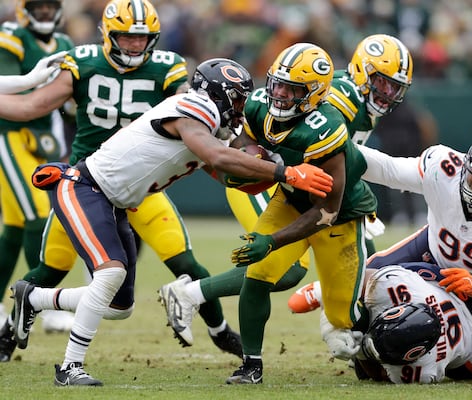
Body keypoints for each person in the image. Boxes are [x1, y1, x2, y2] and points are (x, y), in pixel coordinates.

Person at [9, 56, 332, 386]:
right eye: (235, 99)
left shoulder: (212, 128)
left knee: (119, 307)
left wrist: (276, 164)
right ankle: (69, 368)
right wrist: (286, 172)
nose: (239, 109)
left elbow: (227, 173)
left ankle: (33, 298)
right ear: (214, 94)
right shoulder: (194, 108)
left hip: (115, 202)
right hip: (84, 186)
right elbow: (218, 157)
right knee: (111, 272)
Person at [0, 0, 240, 363]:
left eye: (141, 38)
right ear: (108, 35)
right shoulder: (82, 61)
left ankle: (221, 332)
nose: (133, 45)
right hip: (86, 181)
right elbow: (31, 106)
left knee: (187, 265)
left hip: (141, 187)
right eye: (126, 37)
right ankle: (8, 335)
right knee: (50, 268)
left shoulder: (167, 67)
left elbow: (189, 115)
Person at [159, 34, 413, 338]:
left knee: (359, 258)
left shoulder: (359, 103)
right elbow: (319, 149)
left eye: (394, 86)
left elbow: (342, 163)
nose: (387, 92)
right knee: (284, 266)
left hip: (297, 181)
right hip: (269, 179)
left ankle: (345, 322)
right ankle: (190, 294)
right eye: (382, 81)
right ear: (362, 71)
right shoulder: (340, 99)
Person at [289, 129, 472, 312]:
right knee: (365, 276)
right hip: (432, 247)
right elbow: (388, 169)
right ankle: (330, 296)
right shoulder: (445, 168)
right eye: (471, 177)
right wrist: (338, 150)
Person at [0, 0, 73, 323]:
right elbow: (9, 92)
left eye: (50, 6)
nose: (45, 12)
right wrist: (37, 81)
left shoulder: (67, 43)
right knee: (38, 215)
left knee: (16, 227)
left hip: (44, 139)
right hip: (8, 133)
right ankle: (41, 303)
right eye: (38, 6)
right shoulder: (12, 35)